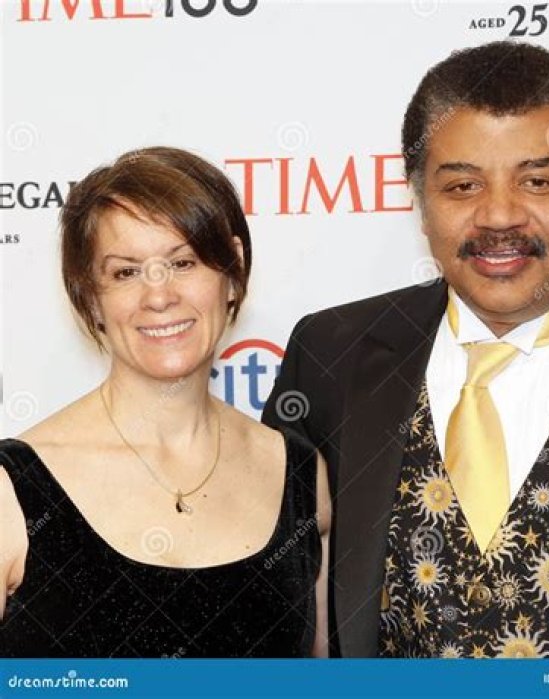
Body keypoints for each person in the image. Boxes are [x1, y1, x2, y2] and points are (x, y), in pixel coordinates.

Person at [263, 41, 549, 658]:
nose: (499, 216)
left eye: (537, 181)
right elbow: (278, 609)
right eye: (462, 186)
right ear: (420, 204)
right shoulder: (330, 357)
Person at [0, 147, 330, 658]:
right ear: (89, 295)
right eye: (125, 272)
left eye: (183, 262)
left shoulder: (302, 477)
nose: (159, 296)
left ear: (233, 270)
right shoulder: (11, 490)